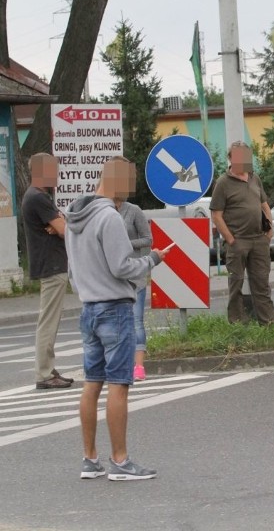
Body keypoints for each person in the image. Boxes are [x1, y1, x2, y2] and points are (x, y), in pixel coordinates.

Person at [65, 157, 171, 480]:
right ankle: (121, 462)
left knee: (91, 384)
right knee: (119, 385)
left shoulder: (73, 219)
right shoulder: (109, 218)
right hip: (115, 308)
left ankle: (89, 459)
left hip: (88, 309)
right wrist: (153, 259)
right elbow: (122, 266)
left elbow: (72, 272)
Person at [210, 141, 274, 325]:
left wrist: (269, 230)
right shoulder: (223, 183)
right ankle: (237, 324)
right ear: (230, 159)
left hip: (259, 240)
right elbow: (216, 215)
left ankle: (269, 323)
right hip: (238, 242)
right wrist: (231, 240)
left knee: (262, 284)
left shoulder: (255, 178)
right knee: (236, 284)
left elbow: (264, 206)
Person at [21, 153, 73, 390]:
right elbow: (64, 230)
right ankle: (44, 373)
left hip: (51, 264)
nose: (57, 175)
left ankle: (48, 369)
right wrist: (60, 223)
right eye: (53, 170)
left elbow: (60, 225)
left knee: (49, 320)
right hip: (51, 264)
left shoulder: (38, 196)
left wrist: (60, 222)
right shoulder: (38, 198)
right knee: (48, 321)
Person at [114, 195, 152, 381]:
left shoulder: (133, 210)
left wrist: (126, 244)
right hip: (112, 277)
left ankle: (139, 366)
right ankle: (121, 364)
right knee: (115, 323)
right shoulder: (101, 211)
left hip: (135, 274)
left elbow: (147, 239)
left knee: (136, 320)